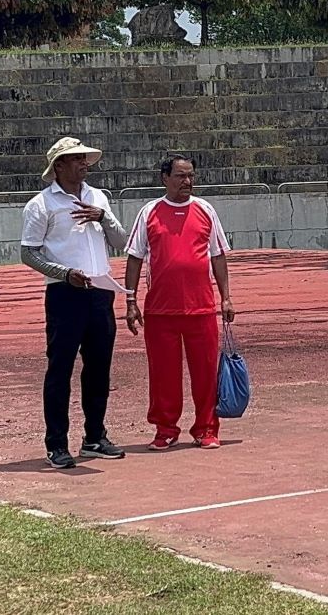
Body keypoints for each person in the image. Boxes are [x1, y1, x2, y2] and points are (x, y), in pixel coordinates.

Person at [19, 137, 127, 468]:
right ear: (59, 166)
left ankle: (95, 436)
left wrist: (102, 217)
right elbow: (28, 252)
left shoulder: (98, 197)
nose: (84, 164)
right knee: (60, 368)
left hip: (100, 291)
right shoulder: (41, 204)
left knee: (99, 369)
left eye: (84, 159)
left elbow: (121, 241)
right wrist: (63, 273)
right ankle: (56, 444)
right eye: (76, 159)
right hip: (65, 294)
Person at [123, 155, 235, 450]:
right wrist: (130, 301)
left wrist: (226, 297)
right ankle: (165, 429)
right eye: (181, 176)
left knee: (206, 372)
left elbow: (218, 256)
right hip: (160, 310)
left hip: (200, 308)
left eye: (191, 176)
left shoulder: (205, 210)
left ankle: (207, 428)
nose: (187, 182)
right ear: (165, 178)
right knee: (163, 375)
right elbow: (134, 258)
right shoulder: (149, 212)